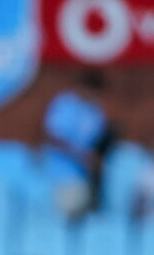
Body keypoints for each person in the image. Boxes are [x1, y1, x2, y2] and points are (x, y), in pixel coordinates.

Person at [43, 70, 115, 218]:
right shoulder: (65, 103)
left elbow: (98, 141)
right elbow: (54, 138)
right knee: (67, 216)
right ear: (82, 87)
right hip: (61, 173)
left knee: (88, 220)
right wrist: (82, 157)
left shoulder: (95, 111)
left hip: (86, 176)